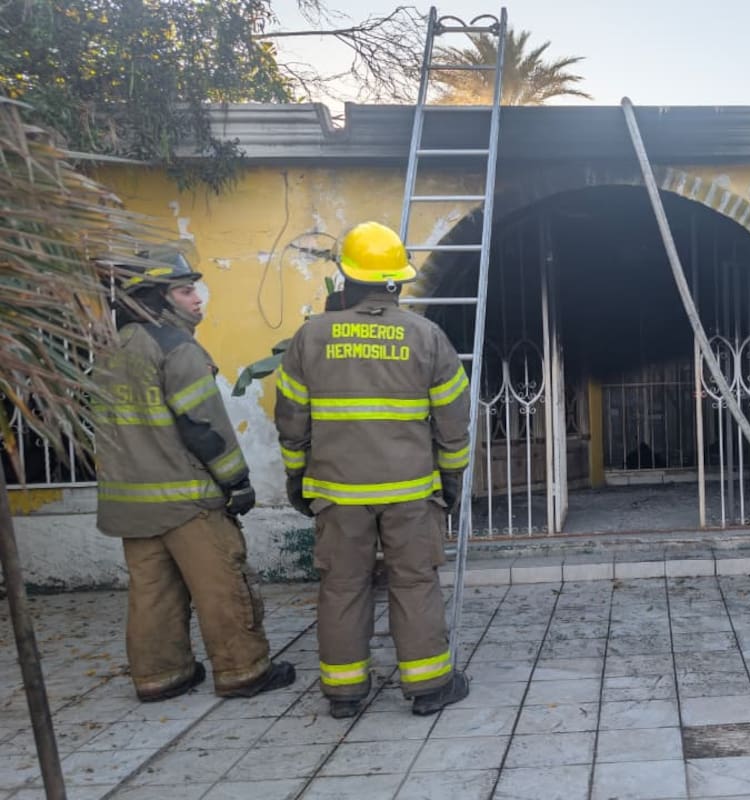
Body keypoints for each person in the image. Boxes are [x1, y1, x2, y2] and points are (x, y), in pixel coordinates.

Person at [274, 221, 471, 719]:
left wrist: (297, 479)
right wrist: (451, 480)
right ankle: (429, 687)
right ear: (396, 283)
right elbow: (453, 422)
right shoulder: (426, 337)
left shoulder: (310, 337)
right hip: (411, 492)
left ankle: (344, 693)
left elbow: (291, 421)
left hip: (338, 492)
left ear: (347, 277)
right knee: (414, 583)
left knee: (342, 586)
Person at [94, 249, 296, 702]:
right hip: (187, 501)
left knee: (153, 594)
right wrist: (237, 482)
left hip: (131, 504)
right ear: (155, 298)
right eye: (185, 291)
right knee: (222, 585)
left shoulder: (113, 348)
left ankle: (161, 676)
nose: (197, 299)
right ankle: (244, 670)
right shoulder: (175, 347)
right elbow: (203, 426)